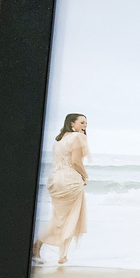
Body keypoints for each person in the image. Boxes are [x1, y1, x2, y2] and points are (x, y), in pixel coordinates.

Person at [33, 113, 90, 265]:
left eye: (86, 123)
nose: (85, 125)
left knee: (60, 218)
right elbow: (76, 161)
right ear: (72, 123)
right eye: (82, 122)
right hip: (69, 181)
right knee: (71, 217)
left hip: (55, 180)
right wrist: (85, 176)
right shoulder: (77, 137)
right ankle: (39, 246)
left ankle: (62, 255)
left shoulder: (59, 140)